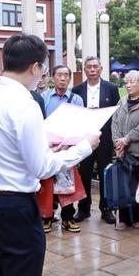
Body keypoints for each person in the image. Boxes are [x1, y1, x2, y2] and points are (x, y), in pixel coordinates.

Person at [0, 34, 99, 276]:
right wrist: (83, 147)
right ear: (35, 67)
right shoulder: (24, 104)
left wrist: (45, 146)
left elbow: (5, 147)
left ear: (3, 61)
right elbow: (41, 167)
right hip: (13, 206)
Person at [71, 56, 121, 224]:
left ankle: (106, 209)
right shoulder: (77, 89)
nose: (92, 69)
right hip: (84, 138)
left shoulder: (112, 88)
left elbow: (116, 114)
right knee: (84, 173)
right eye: (89, 67)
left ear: (100, 68)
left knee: (104, 173)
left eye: (95, 67)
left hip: (105, 138)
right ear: (84, 69)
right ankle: (84, 209)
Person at [42, 64, 85, 233]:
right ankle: (47, 216)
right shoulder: (43, 97)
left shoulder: (76, 99)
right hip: (48, 147)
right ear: (53, 77)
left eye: (66, 75)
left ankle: (68, 218)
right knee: (48, 183)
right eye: (59, 75)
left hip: (69, 147)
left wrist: (68, 144)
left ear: (69, 78)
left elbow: (80, 125)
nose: (62, 78)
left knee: (68, 184)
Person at [111, 70, 139, 230]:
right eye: (126, 82)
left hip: (138, 152)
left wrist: (126, 139)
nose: (128, 85)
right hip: (122, 152)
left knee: (137, 185)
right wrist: (118, 144)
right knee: (122, 185)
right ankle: (123, 218)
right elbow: (115, 123)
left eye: (131, 82)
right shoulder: (121, 102)